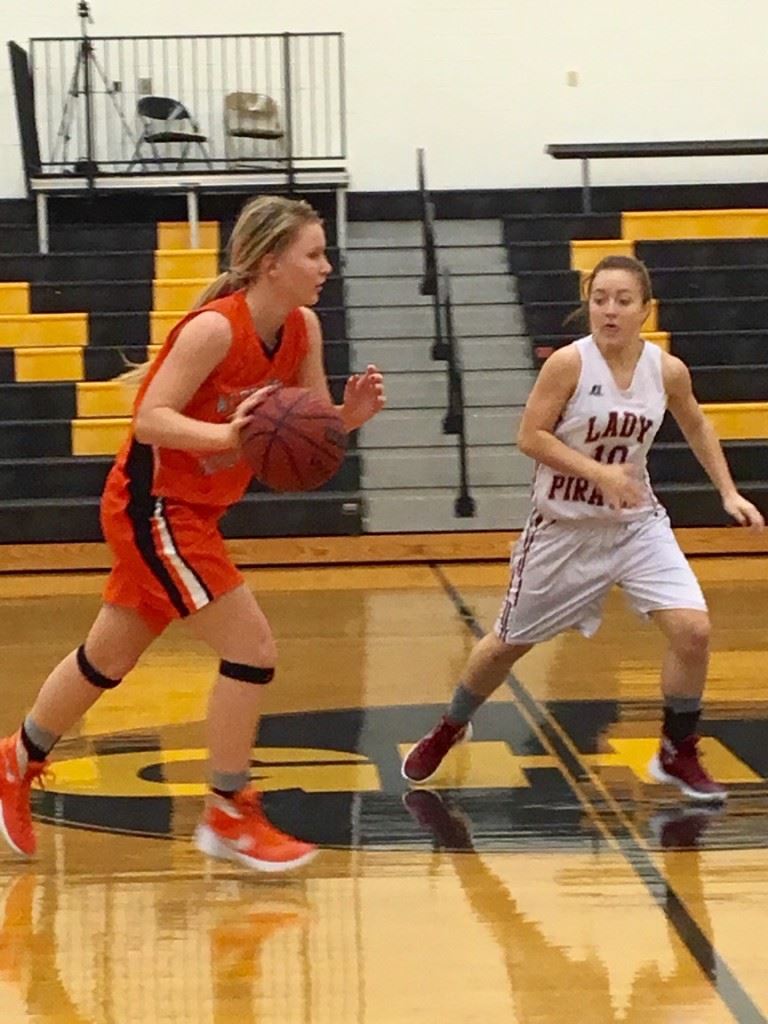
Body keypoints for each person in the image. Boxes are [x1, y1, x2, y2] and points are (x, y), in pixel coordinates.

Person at [0, 194, 385, 871]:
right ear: (271, 263)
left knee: (107, 659)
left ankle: (16, 758)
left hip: (196, 512)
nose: (327, 265)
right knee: (253, 649)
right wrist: (229, 434)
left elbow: (306, 432)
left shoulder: (303, 329)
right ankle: (227, 809)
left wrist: (346, 418)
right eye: (314, 254)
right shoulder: (214, 330)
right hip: (152, 506)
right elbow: (149, 418)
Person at [402, 254, 763, 802]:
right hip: (563, 530)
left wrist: (728, 491)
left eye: (622, 300)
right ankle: (451, 725)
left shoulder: (665, 370)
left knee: (694, 631)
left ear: (645, 309)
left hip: (635, 526)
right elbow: (530, 437)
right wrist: (599, 472)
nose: (609, 310)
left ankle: (676, 749)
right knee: (504, 646)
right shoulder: (570, 365)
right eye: (600, 299)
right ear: (588, 304)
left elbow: (695, 420)